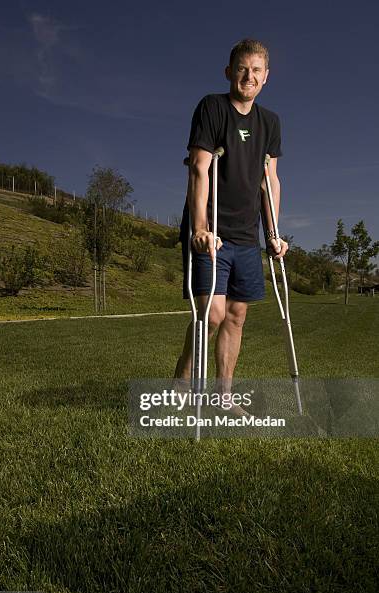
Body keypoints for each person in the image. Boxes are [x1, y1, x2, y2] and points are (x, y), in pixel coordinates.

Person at [174, 38, 288, 408]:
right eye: (242, 68)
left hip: (246, 234)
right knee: (214, 312)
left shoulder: (270, 122)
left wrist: (273, 234)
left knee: (237, 315)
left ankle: (224, 397)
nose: (248, 76)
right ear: (229, 72)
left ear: (266, 77)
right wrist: (199, 228)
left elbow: (269, 180)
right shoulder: (212, 108)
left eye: (256, 70)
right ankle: (182, 385)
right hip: (213, 231)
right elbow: (200, 169)